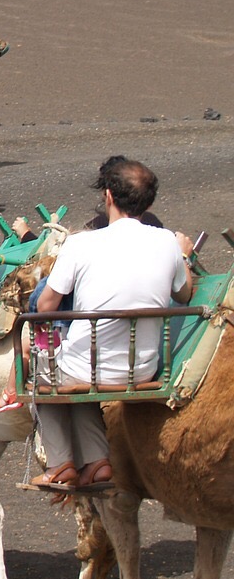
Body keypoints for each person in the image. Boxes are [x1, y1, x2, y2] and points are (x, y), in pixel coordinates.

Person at [28, 159, 193, 490]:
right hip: (141, 369)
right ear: (148, 202)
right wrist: (184, 255)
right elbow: (185, 294)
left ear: (108, 196)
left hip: (86, 367)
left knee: (42, 375)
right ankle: (97, 463)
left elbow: (45, 306)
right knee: (83, 375)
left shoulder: (82, 243)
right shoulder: (166, 242)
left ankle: (61, 466)